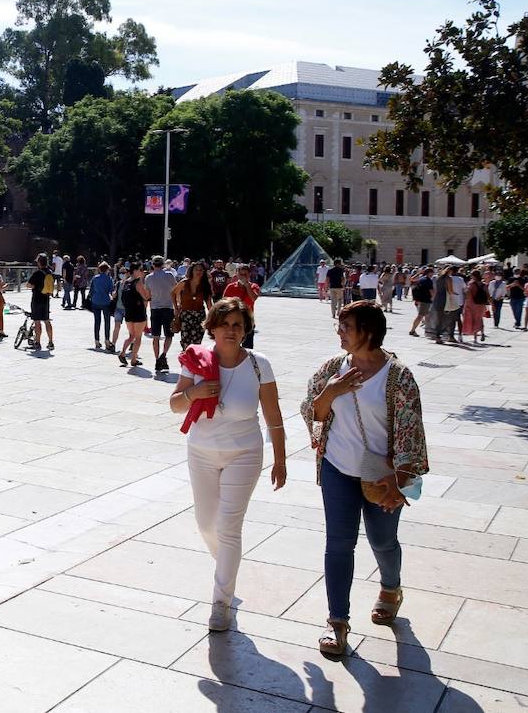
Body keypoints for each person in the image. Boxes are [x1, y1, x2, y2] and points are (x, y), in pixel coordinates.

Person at [300, 300, 429, 657]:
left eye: (346, 327)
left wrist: (399, 478)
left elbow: (411, 430)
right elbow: (312, 411)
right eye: (340, 326)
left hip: (382, 476)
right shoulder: (332, 368)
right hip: (337, 467)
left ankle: (391, 588)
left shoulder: (398, 375)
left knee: (382, 541)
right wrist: (331, 391)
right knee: (339, 543)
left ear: (367, 332)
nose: (339, 333)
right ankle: (337, 622)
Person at [170, 297, 287, 632]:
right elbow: (174, 405)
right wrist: (195, 392)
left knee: (229, 527)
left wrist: (280, 458)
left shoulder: (258, 364)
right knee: (207, 525)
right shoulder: (198, 359)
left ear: (246, 329)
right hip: (202, 452)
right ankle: (226, 565)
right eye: (225, 324)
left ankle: (221, 602)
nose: (231, 331)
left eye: (238, 325)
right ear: (213, 327)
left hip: (244, 454)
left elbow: (274, 416)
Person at [145, 256, 179, 374]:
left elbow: (148, 295)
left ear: (153, 265)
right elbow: (176, 289)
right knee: (169, 335)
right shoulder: (169, 275)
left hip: (155, 308)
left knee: (155, 336)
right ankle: (163, 355)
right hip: (168, 307)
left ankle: (156, 359)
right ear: (163, 264)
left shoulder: (148, 278)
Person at [174, 261, 214, 349]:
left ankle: (193, 361)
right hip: (186, 315)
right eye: (196, 270)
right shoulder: (184, 283)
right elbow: (173, 293)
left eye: (201, 270)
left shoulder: (205, 285)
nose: (199, 272)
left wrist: (213, 317)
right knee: (185, 342)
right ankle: (186, 361)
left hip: (199, 316)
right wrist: (176, 308)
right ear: (192, 271)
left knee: (197, 342)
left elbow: (209, 303)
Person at [118, 264, 150, 368]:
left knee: (131, 336)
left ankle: (122, 353)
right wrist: (149, 292)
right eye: (140, 270)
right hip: (138, 312)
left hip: (128, 312)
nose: (142, 272)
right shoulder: (138, 282)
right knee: (138, 337)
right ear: (135, 271)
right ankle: (134, 359)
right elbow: (145, 297)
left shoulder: (126, 282)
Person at [223, 265, 261, 349]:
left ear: (249, 275)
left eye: (245, 274)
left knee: (248, 347)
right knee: (232, 345)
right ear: (237, 275)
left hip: (247, 320)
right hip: (233, 320)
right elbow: (224, 302)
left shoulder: (254, 286)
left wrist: (247, 285)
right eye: (241, 274)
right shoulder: (231, 287)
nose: (243, 277)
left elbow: (253, 298)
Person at [26, 253, 55, 350]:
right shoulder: (50, 272)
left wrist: (34, 286)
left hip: (37, 299)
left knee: (37, 322)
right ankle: (51, 342)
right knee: (47, 321)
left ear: (39, 262)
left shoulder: (37, 273)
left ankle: (37, 343)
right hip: (46, 299)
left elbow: (28, 285)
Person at [88, 262, 116, 350]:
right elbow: (111, 290)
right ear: (107, 270)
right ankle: (107, 340)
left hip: (95, 301)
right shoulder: (109, 279)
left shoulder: (95, 278)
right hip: (105, 302)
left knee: (97, 321)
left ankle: (96, 341)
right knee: (107, 322)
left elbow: (91, 290)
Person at [409, 267, 434, 337]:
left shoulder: (421, 278)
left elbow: (411, 279)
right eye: (432, 272)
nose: (433, 274)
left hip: (421, 300)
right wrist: (434, 298)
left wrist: (419, 273)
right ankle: (412, 330)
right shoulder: (428, 280)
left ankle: (428, 330)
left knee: (427, 315)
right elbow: (431, 291)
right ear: (429, 273)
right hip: (425, 300)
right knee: (420, 316)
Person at [463, 271, 487, 342]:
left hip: (473, 304)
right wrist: (492, 304)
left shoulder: (471, 284)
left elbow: (468, 295)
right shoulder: (484, 284)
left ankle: (475, 337)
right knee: (480, 319)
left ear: (474, 276)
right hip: (481, 304)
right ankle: (482, 333)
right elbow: (488, 294)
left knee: (474, 320)